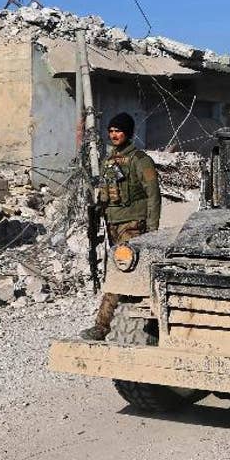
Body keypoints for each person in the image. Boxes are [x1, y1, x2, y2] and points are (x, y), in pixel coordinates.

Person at [80, 112, 161, 341]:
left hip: (133, 225)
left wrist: (152, 231)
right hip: (113, 224)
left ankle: (102, 326)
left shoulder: (140, 160)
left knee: (119, 275)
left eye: (119, 130)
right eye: (112, 130)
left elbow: (153, 195)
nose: (114, 135)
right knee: (123, 274)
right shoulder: (109, 161)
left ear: (128, 133)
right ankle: (133, 323)